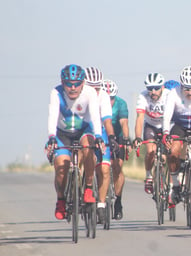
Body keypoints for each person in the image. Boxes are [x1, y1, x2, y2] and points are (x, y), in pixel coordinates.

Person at [45, 64, 104, 220]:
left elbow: (95, 116)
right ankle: (61, 200)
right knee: (61, 166)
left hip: (83, 130)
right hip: (62, 133)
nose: (72, 88)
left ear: (83, 83)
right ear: (62, 82)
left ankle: (89, 189)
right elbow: (52, 115)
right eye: (69, 84)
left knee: (88, 149)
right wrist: (51, 136)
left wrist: (98, 135)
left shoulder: (90, 92)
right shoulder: (56, 93)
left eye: (76, 84)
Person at [162, 66, 191, 205]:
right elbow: (167, 116)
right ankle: (175, 185)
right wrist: (165, 133)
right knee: (173, 152)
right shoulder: (173, 93)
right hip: (179, 125)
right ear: (181, 85)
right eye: (187, 89)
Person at [84, 67, 119, 224]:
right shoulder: (79, 96)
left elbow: (107, 120)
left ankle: (101, 204)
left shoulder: (103, 96)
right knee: (83, 158)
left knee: (104, 169)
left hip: (101, 132)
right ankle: (82, 187)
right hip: (84, 132)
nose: (95, 91)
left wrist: (111, 137)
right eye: (92, 87)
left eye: (97, 87)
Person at [133, 73, 170, 194]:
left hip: (166, 125)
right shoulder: (143, 96)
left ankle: (167, 179)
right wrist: (138, 137)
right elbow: (139, 118)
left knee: (168, 154)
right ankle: (149, 176)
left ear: (162, 87)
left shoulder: (168, 95)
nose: (153, 91)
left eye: (156, 88)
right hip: (151, 126)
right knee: (150, 151)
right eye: (150, 88)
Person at [102, 79, 131, 220]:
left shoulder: (121, 104)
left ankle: (118, 202)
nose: (109, 101)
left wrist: (126, 139)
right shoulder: (96, 104)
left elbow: (124, 123)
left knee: (117, 167)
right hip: (101, 136)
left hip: (117, 136)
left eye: (112, 98)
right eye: (107, 99)